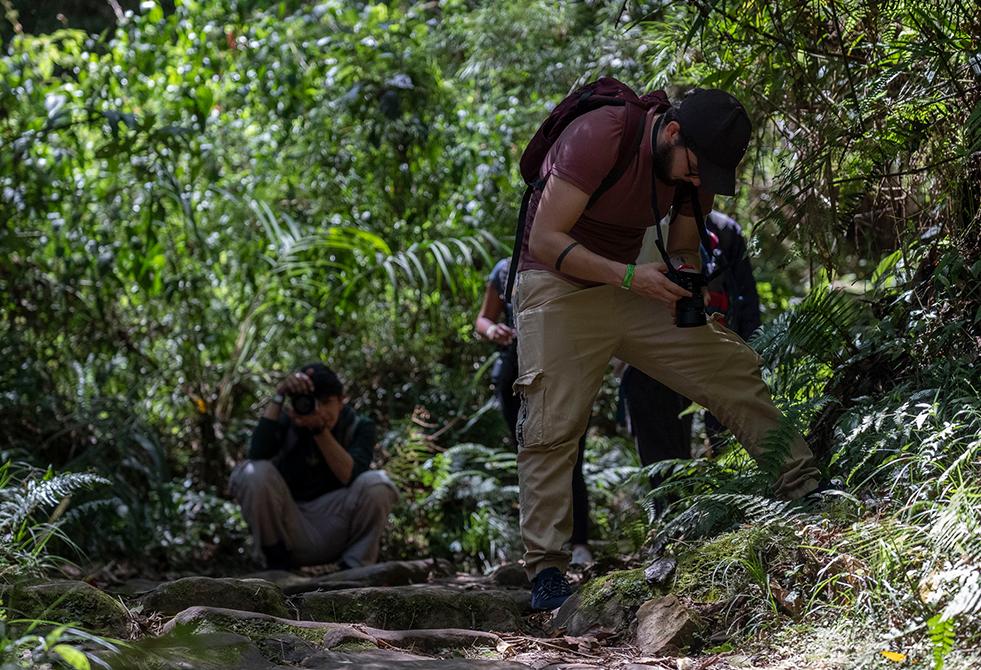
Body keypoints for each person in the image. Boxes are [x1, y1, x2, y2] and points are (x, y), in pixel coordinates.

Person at [511, 88, 822, 610]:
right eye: (695, 168)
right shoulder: (601, 134)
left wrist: (684, 275)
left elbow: (681, 246)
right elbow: (545, 238)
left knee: (729, 365)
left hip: (632, 282)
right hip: (557, 282)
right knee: (550, 424)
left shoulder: (693, 170)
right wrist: (631, 277)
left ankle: (805, 486)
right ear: (673, 132)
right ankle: (546, 571)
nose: (699, 183)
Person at [622, 211, 763, 493]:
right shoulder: (638, 223)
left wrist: (749, 351)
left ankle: (732, 501)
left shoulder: (723, 231)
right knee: (663, 446)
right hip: (653, 353)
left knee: (725, 435)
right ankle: (671, 517)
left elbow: (745, 299)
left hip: (714, 346)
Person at [475, 258, 594, 566]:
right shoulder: (504, 269)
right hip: (517, 372)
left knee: (571, 456)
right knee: (530, 459)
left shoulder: (570, 259)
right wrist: (494, 332)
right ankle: (539, 550)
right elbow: (483, 319)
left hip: (565, 367)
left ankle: (579, 543)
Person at [230, 362, 398, 570]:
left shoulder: (359, 426)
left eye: (326, 402)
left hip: (337, 522)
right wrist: (280, 393)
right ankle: (276, 562)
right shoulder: (288, 421)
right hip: (291, 524)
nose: (320, 410)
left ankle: (355, 568)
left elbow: (350, 476)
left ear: (341, 400)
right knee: (252, 473)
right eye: (313, 402)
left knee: (377, 484)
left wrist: (319, 430)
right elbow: (256, 455)